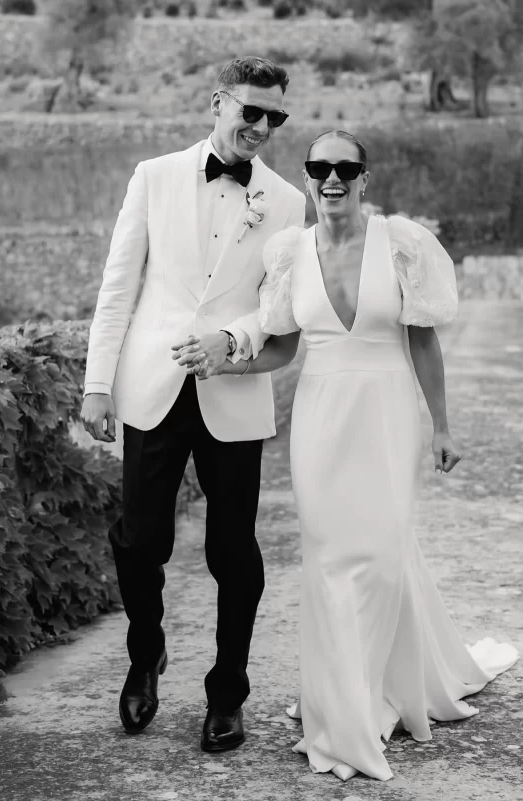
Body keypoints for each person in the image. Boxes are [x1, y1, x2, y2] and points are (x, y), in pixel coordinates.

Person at [180, 129, 518, 780]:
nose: (331, 177)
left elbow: (422, 343)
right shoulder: (288, 253)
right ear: (307, 177)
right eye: (319, 166)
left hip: (388, 411)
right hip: (321, 417)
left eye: (345, 167)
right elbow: (281, 345)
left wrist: (442, 425)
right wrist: (229, 364)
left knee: (386, 556)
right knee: (331, 561)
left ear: (366, 177)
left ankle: (385, 684)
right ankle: (344, 712)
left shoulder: (403, 245)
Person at [80, 56, 305, 753]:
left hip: (232, 392)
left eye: (275, 118)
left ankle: (227, 690)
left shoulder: (289, 203)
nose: (261, 128)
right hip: (152, 387)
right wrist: (96, 382)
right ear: (218, 103)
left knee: (232, 548)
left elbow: (278, 314)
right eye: (251, 112)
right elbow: (119, 287)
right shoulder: (154, 176)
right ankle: (145, 652)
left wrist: (231, 341)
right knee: (142, 540)